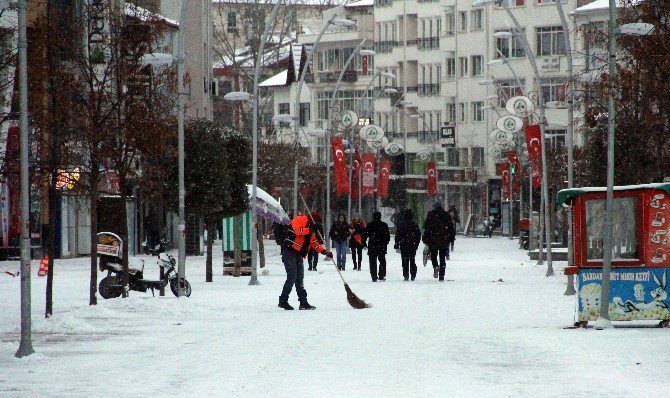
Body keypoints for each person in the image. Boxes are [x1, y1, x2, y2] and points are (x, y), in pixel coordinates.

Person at [278, 214, 333, 310]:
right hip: (289, 252)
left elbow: (314, 244)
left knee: (299, 279)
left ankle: (303, 302)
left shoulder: (311, 230)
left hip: (298, 254)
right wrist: (310, 230)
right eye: (317, 223)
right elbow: (297, 231)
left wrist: (325, 252)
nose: (318, 225)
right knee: (292, 277)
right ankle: (283, 300)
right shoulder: (299, 219)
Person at [424, 203, 455, 281]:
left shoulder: (430, 215)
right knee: (442, 258)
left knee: (433, 255)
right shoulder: (446, 215)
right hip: (444, 240)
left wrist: (426, 238)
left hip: (433, 239)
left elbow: (427, 227)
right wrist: (451, 238)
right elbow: (451, 228)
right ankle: (441, 276)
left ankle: (435, 266)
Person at [394, 209, 421, 281]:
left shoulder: (401, 224)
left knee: (404, 260)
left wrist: (397, 244)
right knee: (412, 259)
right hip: (412, 244)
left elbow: (397, 235)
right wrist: (416, 243)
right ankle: (413, 274)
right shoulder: (414, 224)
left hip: (404, 244)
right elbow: (418, 235)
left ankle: (406, 275)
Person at [365, 211, 390, 282]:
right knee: (382, 260)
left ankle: (374, 276)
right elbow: (387, 236)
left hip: (372, 245)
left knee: (372, 261)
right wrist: (385, 243)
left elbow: (365, 235)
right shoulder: (384, 225)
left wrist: (364, 243)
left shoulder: (370, 225)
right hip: (381, 245)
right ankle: (381, 275)